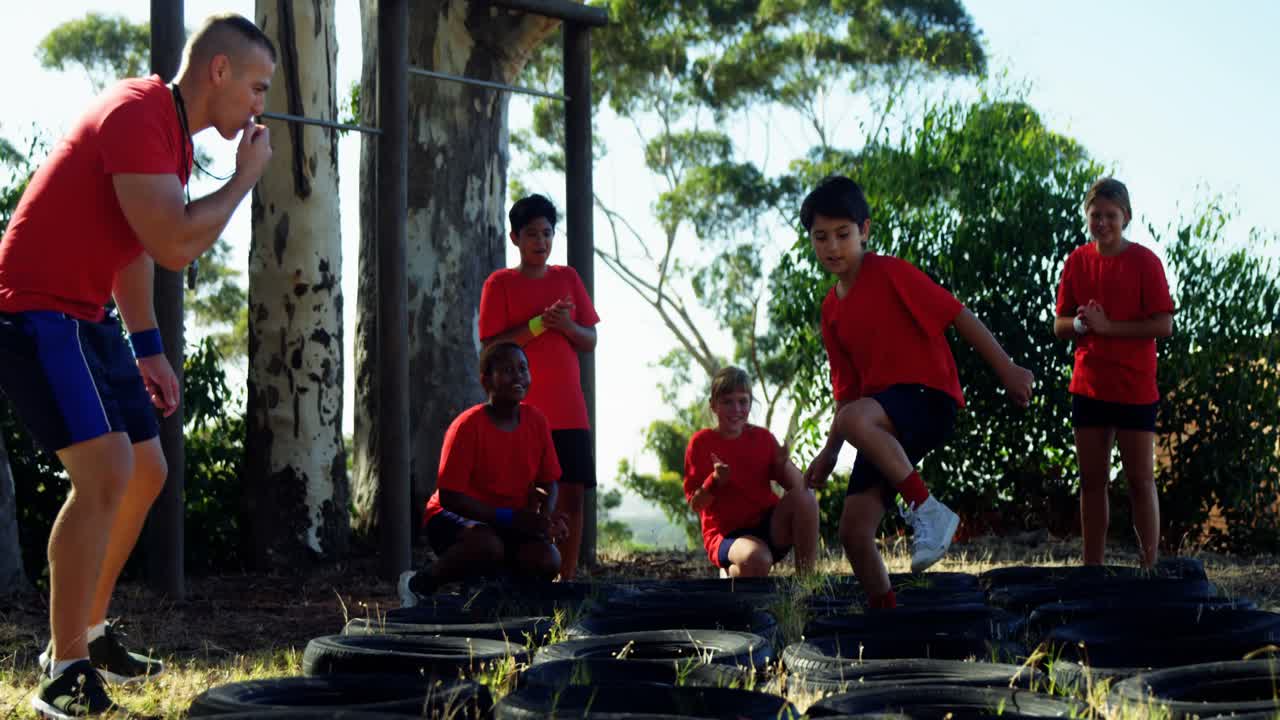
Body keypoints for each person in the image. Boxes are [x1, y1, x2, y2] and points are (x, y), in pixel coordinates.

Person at [0, 12, 275, 718]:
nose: (259, 107)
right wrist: (244, 181)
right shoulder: (136, 113)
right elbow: (177, 243)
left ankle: (86, 632)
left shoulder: (172, 137)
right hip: (31, 307)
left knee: (146, 467)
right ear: (219, 72)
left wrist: (147, 347)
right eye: (256, 88)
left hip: (84, 312)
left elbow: (136, 246)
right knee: (104, 472)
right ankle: (63, 670)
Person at [800, 176, 1034, 608]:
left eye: (843, 234)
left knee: (857, 420)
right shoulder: (831, 311)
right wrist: (830, 453)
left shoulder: (889, 272)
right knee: (854, 532)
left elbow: (957, 313)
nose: (833, 246)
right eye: (821, 237)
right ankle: (889, 623)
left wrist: (1008, 368)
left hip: (928, 398)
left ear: (865, 231)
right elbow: (846, 396)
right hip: (879, 421)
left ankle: (928, 509)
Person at [477, 194, 599, 580]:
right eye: (532, 234)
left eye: (547, 233)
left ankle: (568, 581)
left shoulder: (568, 278)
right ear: (514, 238)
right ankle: (530, 577)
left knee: (573, 495)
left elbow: (590, 339)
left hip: (569, 408)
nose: (541, 242)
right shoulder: (500, 284)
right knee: (530, 497)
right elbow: (491, 346)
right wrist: (536, 325)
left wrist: (566, 327)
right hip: (522, 411)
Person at [1054, 178, 1173, 567]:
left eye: (1110, 216)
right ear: (1087, 216)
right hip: (1088, 385)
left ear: (1126, 217)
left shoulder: (1145, 262)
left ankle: (1149, 566)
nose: (1102, 223)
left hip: (1135, 386)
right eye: (1095, 216)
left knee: (1140, 481)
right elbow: (1059, 323)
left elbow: (1163, 325)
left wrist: (1109, 329)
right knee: (1091, 482)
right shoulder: (1076, 261)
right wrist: (1080, 326)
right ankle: (1093, 568)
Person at [399, 342, 569, 604]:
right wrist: (509, 517)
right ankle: (419, 584)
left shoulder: (536, 420)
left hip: (507, 520)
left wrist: (544, 521)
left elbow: (550, 482)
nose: (518, 376)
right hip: (454, 517)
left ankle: (494, 589)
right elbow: (449, 497)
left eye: (523, 368)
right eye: (507, 370)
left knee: (548, 559)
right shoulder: (467, 426)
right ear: (486, 380)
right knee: (488, 547)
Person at [684, 367, 819, 578]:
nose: (736, 409)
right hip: (726, 536)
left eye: (743, 401)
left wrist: (784, 465)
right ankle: (732, 570)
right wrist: (715, 481)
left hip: (769, 526)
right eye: (727, 401)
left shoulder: (763, 438)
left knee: (807, 497)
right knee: (757, 560)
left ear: (750, 403)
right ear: (713, 405)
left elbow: (799, 490)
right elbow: (695, 504)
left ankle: (806, 585)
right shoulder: (701, 443)